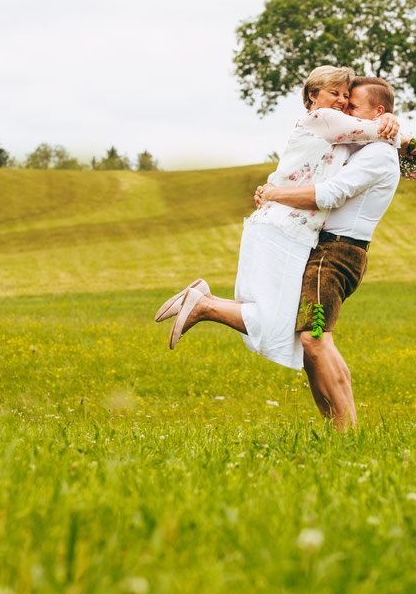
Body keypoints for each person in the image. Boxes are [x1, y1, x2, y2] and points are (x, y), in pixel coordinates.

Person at [155, 66, 402, 372]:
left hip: (284, 225)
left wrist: (388, 120)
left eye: (345, 96)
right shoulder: (325, 119)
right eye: (335, 94)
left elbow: (371, 137)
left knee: (275, 316)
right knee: (276, 322)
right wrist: (390, 121)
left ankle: (203, 301)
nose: (341, 101)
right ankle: (204, 305)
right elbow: (382, 133)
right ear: (312, 95)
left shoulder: (336, 130)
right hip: (283, 227)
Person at [255, 77, 401, 429]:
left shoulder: (378, 154)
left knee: (315, 336)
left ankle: (348, 430)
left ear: (379, 113)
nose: (344, 111)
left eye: (353, 106)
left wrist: (274, 194)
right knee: (310, 340)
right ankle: (335, 425)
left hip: (336, 255)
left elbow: (329, 194)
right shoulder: (363, 146)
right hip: (324, 251)